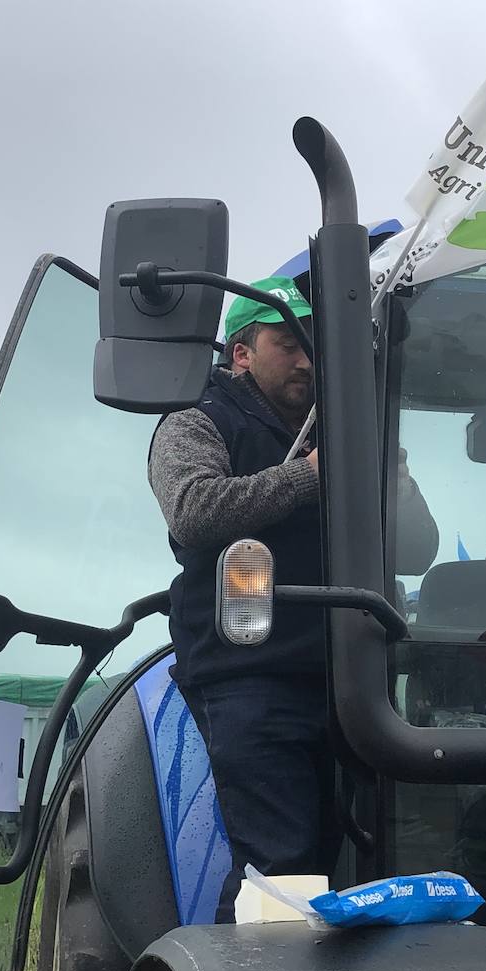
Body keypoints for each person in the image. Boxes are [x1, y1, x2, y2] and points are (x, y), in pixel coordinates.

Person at [149, 277, 438, 921]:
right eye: (290, 343)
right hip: (247, 675)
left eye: (316, 345)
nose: (309, 360)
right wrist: (311, 476)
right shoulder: (194, 419)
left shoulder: (350, 430)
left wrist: (394, 477)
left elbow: (418, 550)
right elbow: (194, 512)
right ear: (242, 352)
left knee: (346, 861)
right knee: (279, 866)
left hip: (351, 678)